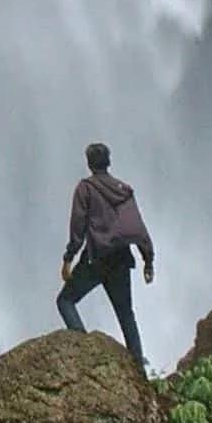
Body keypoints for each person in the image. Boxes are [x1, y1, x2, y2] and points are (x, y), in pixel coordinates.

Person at [57, 141, 154, 371]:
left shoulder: (86, 189)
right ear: (108, 162)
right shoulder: (124, 190)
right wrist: (148, 261)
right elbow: (137, 227)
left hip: (96, 259)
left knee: (65, 301)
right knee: (126, 314)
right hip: (121, 259)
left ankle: (83, 348)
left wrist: (68, 259)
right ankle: (139, 368)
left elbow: (78, 229)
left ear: (89, 163)